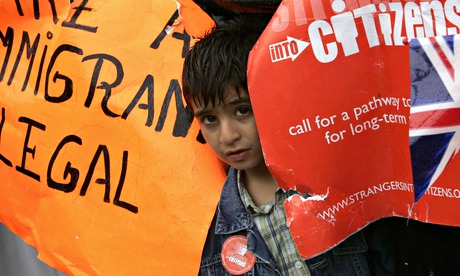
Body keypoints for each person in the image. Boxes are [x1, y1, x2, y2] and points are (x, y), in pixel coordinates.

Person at [182, 16, 371, 275]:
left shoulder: (335, 188)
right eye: (210, 119)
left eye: (242, 110)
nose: (227, 136)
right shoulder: (209, 231)